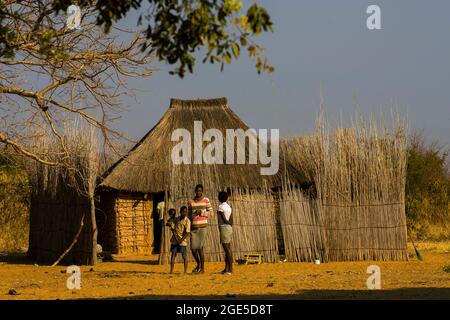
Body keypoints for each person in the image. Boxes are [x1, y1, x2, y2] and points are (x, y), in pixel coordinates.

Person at [187, 184, 212, 274]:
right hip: (194, 227)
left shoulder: (206, 200)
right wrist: (192, 216)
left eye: (200, 191)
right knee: (193, 248)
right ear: (195, 191)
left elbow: (211, 213)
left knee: (200, 248)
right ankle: (198, 264)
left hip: (202, 227)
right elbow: (188, 215)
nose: (199, 192)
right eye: (197, 191)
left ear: (202, 191)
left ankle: (202, 269)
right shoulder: (190, 201)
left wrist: (201, 212)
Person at [166, 207, 190, 274]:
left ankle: (185, 271)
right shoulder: (177, 219)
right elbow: (170, 223)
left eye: (185, 212)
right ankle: (171, 271)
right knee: (173, 255)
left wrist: (181, 240)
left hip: (182, 241)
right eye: (183, 212)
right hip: (174, 240)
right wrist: (170, 224)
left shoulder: (187, 221)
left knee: (184, 256)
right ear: (180, 212)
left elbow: (187, 233)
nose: (184, 213)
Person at [217, 191, 233, 274]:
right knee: (228, 248)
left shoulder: (220, 207)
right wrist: (229, 223)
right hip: (229, 228)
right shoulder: (229, 207)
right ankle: (226, 268)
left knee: (227, 249)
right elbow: (231, 220)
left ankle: (230, 269)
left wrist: (227, 222)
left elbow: (223, 219)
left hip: (224, 227)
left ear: (219, 198)